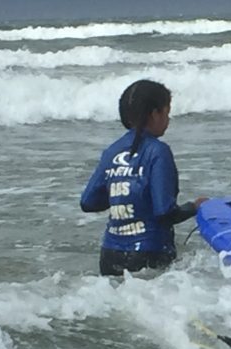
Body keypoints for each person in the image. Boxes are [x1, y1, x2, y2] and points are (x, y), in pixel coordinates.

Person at [80, 80, 205, 277]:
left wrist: (123, 195)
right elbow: (164, 213)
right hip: (148, 253)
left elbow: (88, 202)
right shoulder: (158, 151)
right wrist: (194, 207)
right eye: (167, 113)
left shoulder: (112, 151)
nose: (168, 119)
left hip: (110, 255)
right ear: (154, 114)